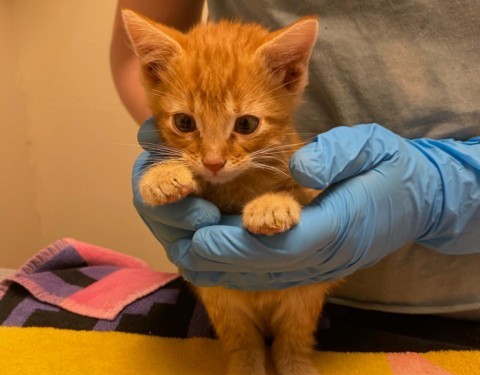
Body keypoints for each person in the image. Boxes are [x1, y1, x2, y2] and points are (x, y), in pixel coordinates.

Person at [111, 0, 480, 320]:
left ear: (291, 73)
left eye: (244, 124)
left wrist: (445, 188)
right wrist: (169, 156)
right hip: (241, 291)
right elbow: (135, 57)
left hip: (466, 301)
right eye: (187, 123)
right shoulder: (211, 145)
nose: (213, 158)